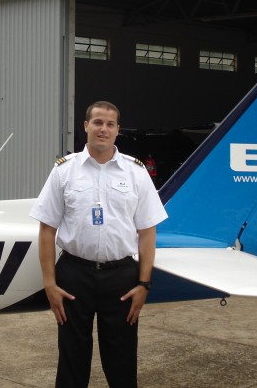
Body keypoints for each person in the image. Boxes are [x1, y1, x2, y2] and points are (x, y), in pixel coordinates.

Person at [30, 101, 168, 387]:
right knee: (72, 359)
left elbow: (147, 232)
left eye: (109, 124)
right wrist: (49, 284)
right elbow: (46, 229)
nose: (103, 129)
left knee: (122, 361)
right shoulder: (64, 172)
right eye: (97, 123)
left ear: (117, 130)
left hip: (121, 278)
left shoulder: (136, 173)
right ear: (86, 126)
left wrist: (144, 284)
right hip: (73, 276)